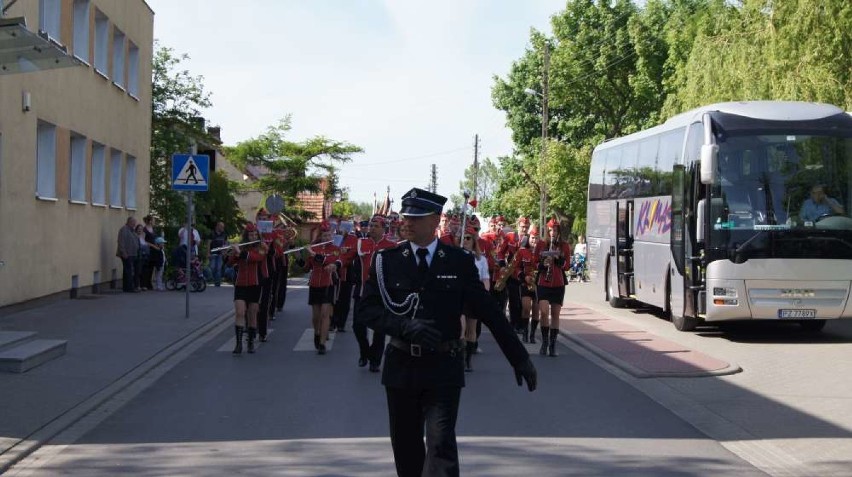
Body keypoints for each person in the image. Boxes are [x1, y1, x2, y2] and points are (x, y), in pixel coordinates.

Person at [357, 188, 537, 477]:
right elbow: (365, 311)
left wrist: (519, 357)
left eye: (416, 218)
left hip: (443, 366)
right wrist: (403, 326)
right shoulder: (387, 261)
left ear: (435, 220)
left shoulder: (458, 261)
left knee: (441, 448)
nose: (408, 223)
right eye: (406, 217)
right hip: (402, 368)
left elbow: (489, 311)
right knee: (407, 452)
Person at [352, 214, 397, 372]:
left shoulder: (391, 246)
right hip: (363, 290)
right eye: (371, 226)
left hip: (381, 293)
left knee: (380, 328)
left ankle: (375, 361)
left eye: (375, 226)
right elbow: (346, 258)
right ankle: (365, 352)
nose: (371, 228)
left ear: (383, 229)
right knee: (357, 325)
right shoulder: (361, 243)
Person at [227, 223, 268, 355]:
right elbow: (230, 263)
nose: (253, 236)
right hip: (240, 284)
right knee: (240, 312)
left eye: (255, 234)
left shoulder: (262, 247)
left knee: (252, 313)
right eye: (251, 234)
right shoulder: (242, 247)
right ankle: (238, 344)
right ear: (246, 235)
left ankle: (250, 342)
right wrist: (233, 253)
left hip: (255, 284)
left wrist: (240, 252)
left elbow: (257, 258)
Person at [302, 221, 341, 355]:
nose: (326, 238)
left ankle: (323, 343)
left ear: (332, 236)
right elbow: (307, 267)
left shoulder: (335, 249)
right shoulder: (315, 248)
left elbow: (328, 262)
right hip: (314, 284)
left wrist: (313, 254)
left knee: (325, 314)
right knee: (316, 317)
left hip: (327, 284)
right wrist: (299, 257)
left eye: (328, 235)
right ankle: (317, 333)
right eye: (324, 236)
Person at [535, 218, 572, 357]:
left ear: (558, 232)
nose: (552, 233)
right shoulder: (541, 245)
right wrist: (543, 264)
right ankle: (544, 342)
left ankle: (552, 345)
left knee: (555, 314)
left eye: (555, 230)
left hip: (558, 283)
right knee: (544, 312)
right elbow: (534, 263)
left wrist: (557, 259)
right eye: (550, 230)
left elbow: (567, 266)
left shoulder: (564, 246)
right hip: (543, 282)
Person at [460, 226, 489, 372]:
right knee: (461, 327)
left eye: (467, 238)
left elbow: (485, 280)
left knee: (471, 330)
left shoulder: (481, 259)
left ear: (473, 241)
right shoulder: (455, 256)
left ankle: (467, 360)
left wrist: (484, 295)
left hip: (474, 296)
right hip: (459, 296)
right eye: (462, 238)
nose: (464, 241)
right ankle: (459, 357)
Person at [116, 217, 140, 293]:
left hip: (133, 254)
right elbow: (121, 242)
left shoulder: (132, 231)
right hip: (127, 254)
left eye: (135, 223)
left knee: (130, 270)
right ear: (129, 222)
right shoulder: (124, 230)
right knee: (128, 271)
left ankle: (129, 287)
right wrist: (123, 252)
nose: (134, 224)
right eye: (133, 223)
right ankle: (128, 288)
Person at [209, 221, 228, 287]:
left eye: (223, 227)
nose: (223, 228)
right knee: (212, 267)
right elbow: (208, 243)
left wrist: (225, 252)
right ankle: (214, 279)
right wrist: (208, 253)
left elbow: (225, 244)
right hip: (213, 253)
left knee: (219, 268)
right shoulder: (212, 233)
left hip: (220, 254)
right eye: (221, 226)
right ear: (218, 226)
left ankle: (217, 283)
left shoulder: (224, 234)